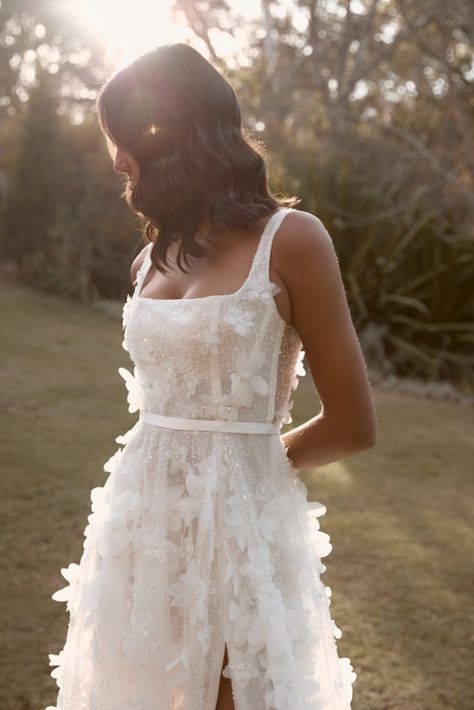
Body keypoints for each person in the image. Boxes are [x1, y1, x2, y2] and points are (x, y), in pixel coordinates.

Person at [46, 43, 377, 710]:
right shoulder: (149, 260)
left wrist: (251, 466)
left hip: (241, 523)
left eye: (121, 137)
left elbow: (353, 425)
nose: (115, 158)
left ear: (171, 132)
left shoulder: (294, 240)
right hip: (140, 517)